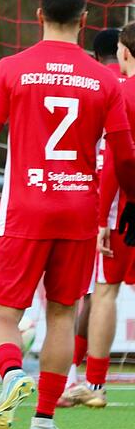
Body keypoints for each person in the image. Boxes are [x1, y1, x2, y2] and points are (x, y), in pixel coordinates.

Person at [0, 0, 135, 429]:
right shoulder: (105, 79)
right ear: (85, 21)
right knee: (61, 313)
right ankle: (44, 425)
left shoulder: (13, 68)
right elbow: (125, 154)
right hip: (78, 210)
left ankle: (12, 374)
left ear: (38, 16)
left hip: (26, 208)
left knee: (1, 313)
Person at [60, 23, 135, 408]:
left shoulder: (112, 89)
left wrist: (103, 220)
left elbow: (115, 161)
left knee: (102, 291)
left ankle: (91, 383)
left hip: (122, 206)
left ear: (125, 52)